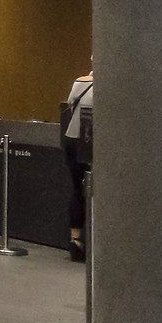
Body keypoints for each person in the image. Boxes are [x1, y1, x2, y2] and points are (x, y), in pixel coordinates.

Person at [62, 65, 95, 261]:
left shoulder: (80, 82)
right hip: (93, 143)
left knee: (77, 190)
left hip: (72, 140)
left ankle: (75, 240)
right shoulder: (112, 85)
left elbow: (69, 103)